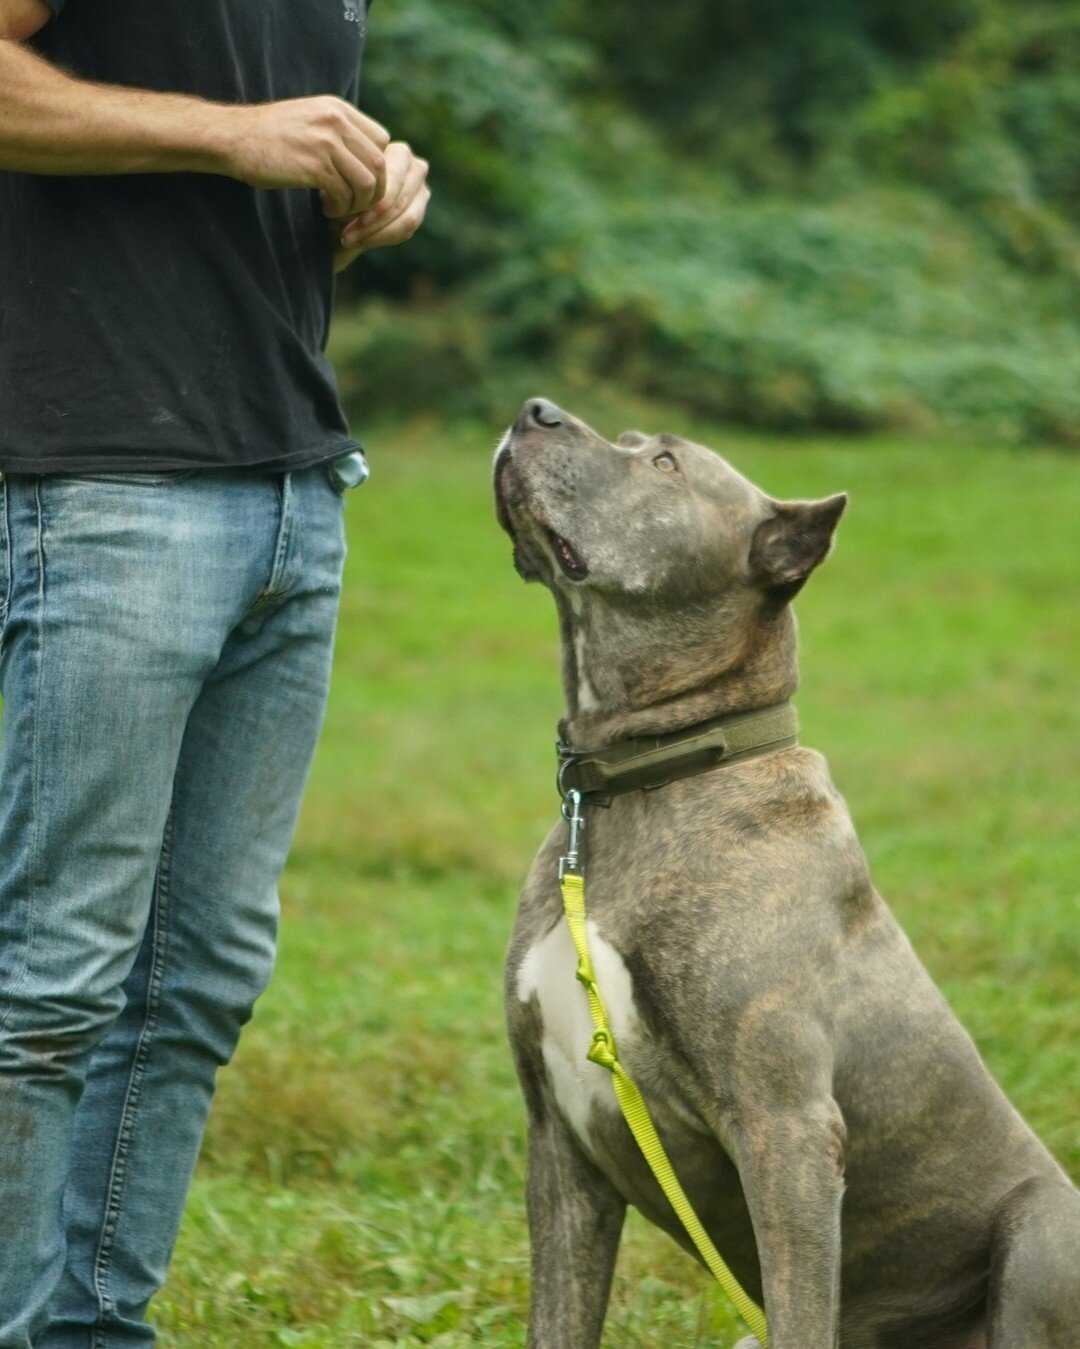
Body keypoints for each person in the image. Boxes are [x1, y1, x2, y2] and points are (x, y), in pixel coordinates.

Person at [0, 0, 429, 1342]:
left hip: (294, 481)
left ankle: (93, 1326)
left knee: (197, 973)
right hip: (110, 479)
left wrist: (371, 178)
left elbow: (242, 164)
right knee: (57, 979)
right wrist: (235, 135)